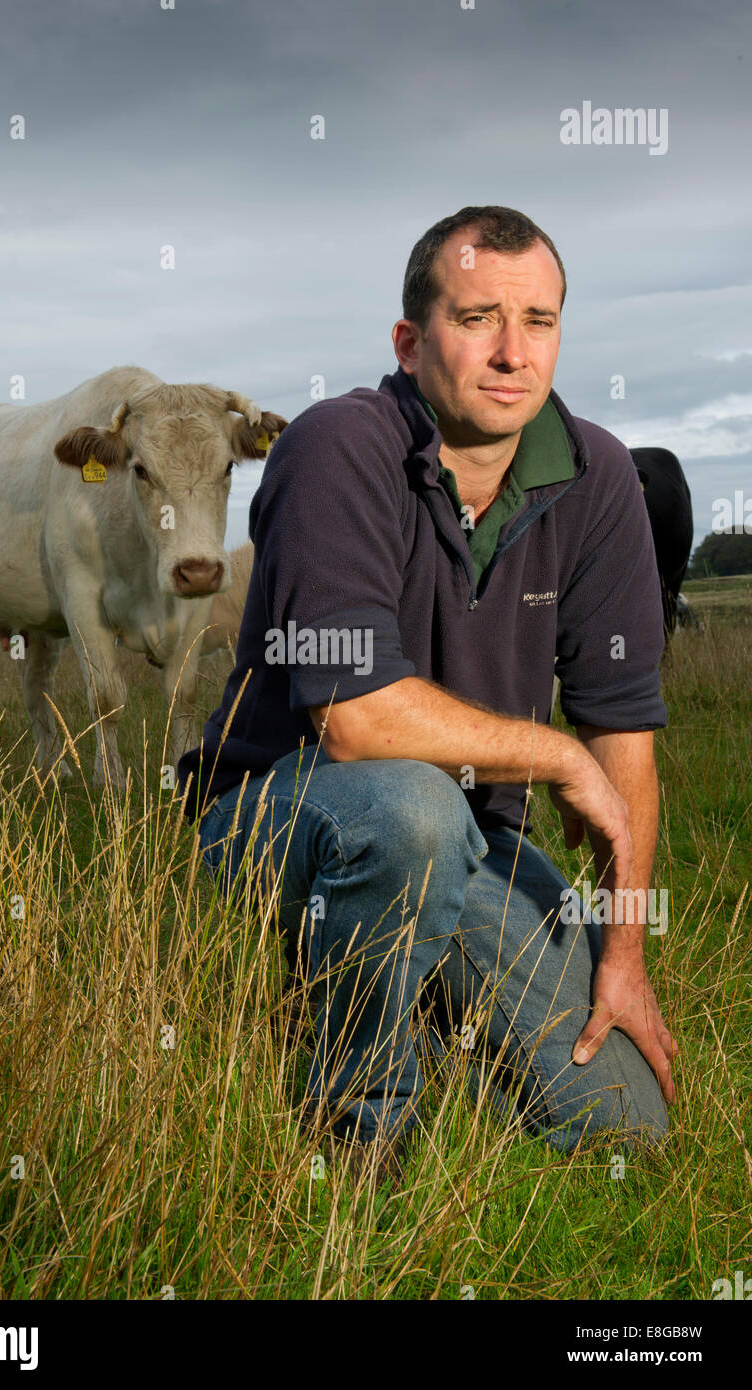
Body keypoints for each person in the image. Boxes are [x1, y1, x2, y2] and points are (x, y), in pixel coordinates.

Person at [178, 205, 678, 1169]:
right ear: (410, 343)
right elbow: (358, 723)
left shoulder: (598, 476)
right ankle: (359, 1135)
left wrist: (623, 960)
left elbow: (624, 740)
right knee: (409, 812)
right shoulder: (336, 447)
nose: (510, 352)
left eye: (537, 321)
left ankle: (414, 1006)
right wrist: (554, 752)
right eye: (477, 317)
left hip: (478, 839)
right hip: (276, 820)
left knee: (622, 1124)